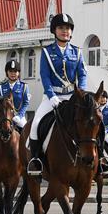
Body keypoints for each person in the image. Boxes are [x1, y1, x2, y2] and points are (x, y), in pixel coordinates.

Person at [27, 13, 87, 175]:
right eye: (61, 28)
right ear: (54, 31)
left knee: (91, 120)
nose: (65, 31)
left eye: (67, 28)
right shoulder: (47, 52)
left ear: (71, 32)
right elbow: (45, 76)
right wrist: (52, 95)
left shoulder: (77, 52)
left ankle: (99, 158)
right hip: (52, 96)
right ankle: (35, 160)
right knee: (36, 124)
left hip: (72, 97)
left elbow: (82, 75)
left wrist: (80, 92)